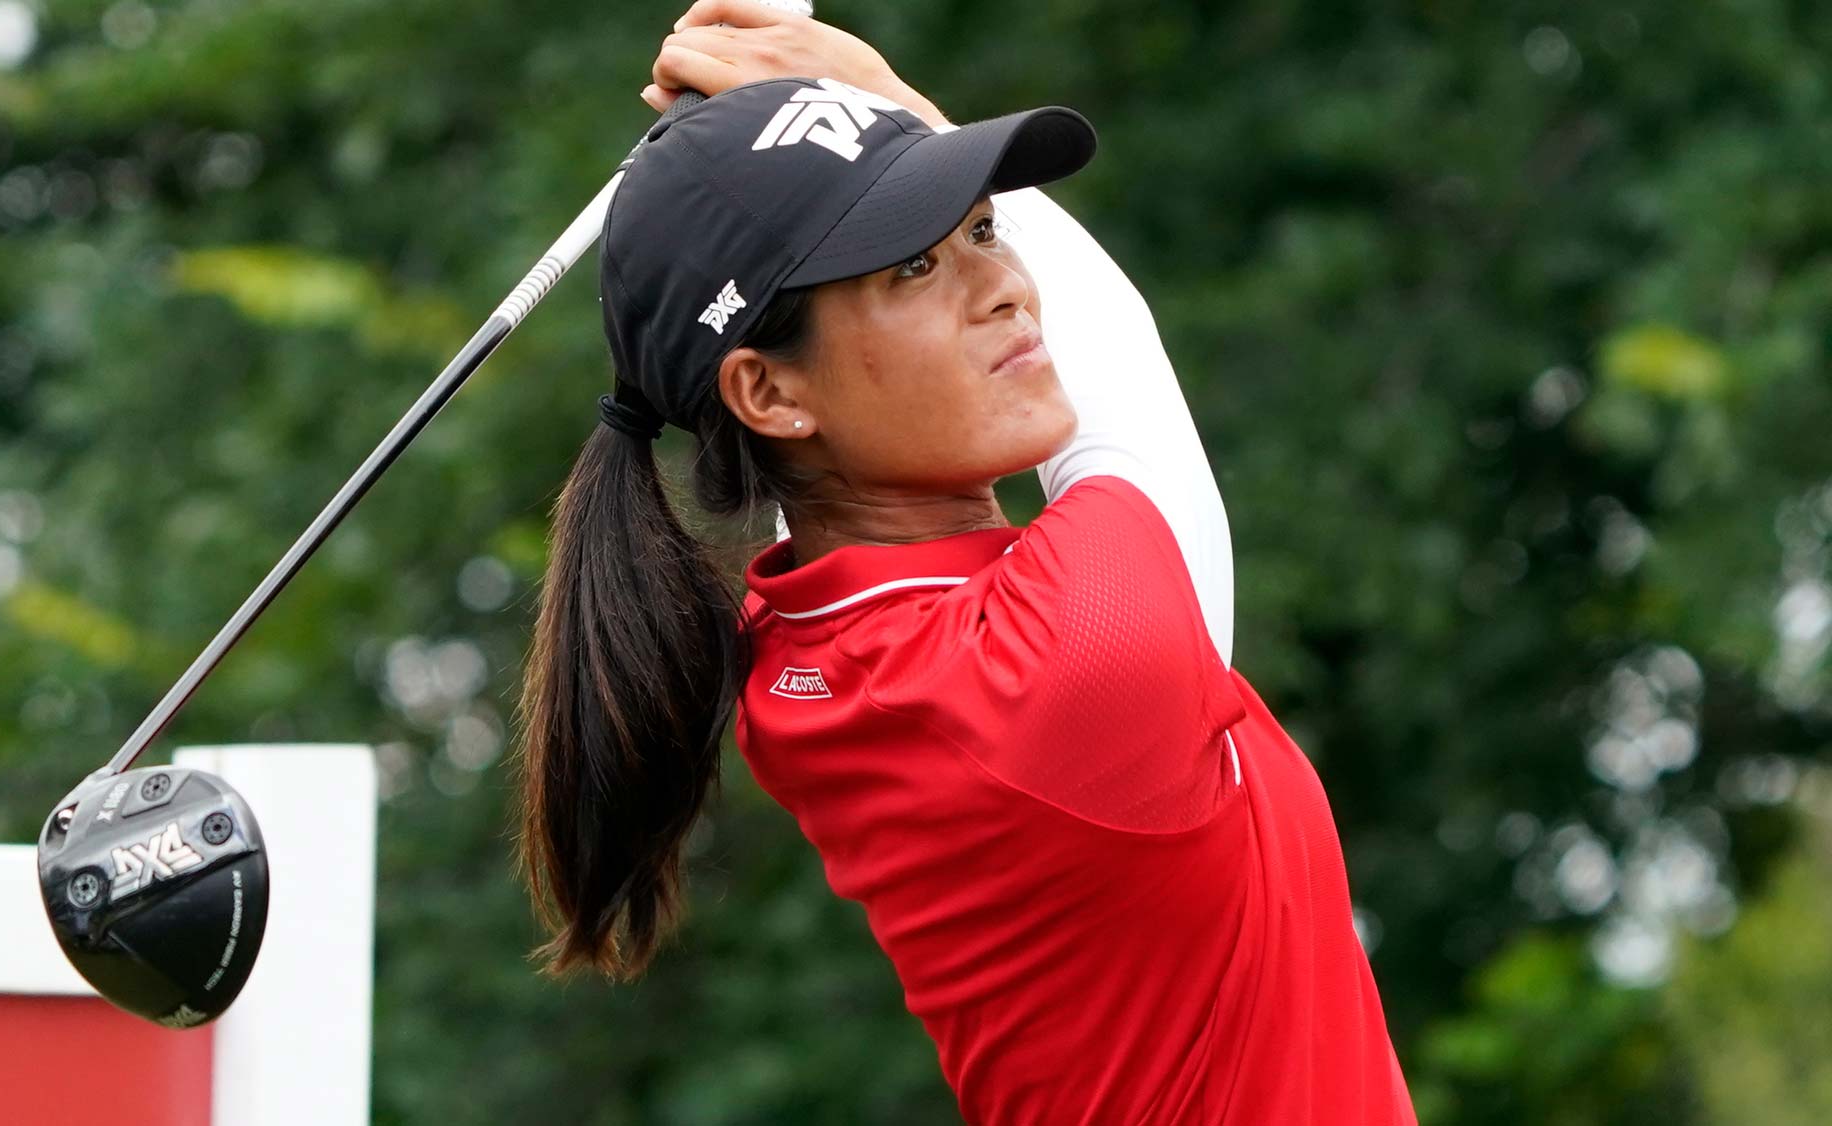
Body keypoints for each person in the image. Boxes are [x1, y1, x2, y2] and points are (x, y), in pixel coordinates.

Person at [517, 2, 1418, 1121]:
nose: (1004, 288)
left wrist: (813, 128)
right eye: (910, 267)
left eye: (983, 229)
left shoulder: (805, 652)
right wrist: (888, 98)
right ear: (769, 392)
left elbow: (812, 463)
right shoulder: (1068, 674)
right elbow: (1123, 387)